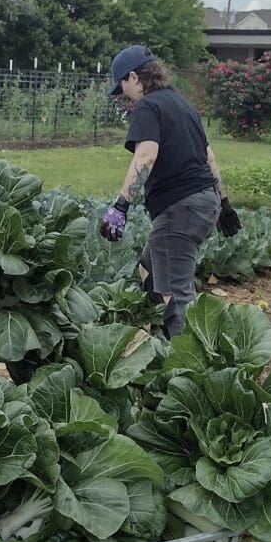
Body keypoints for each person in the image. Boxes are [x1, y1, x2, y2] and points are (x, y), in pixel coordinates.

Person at [99, 45, 241, 338]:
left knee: (176, 294)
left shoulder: (149, 107)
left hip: (180, 209)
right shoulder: (183, 104)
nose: (124, 95)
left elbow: (146, 156)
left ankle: (189, 365)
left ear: (135, 77)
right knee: (148, 268)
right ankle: (157, 338)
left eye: (123, 86)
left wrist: (121, 205)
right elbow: (209, 158)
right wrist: (224, 204)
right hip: (204, 203)